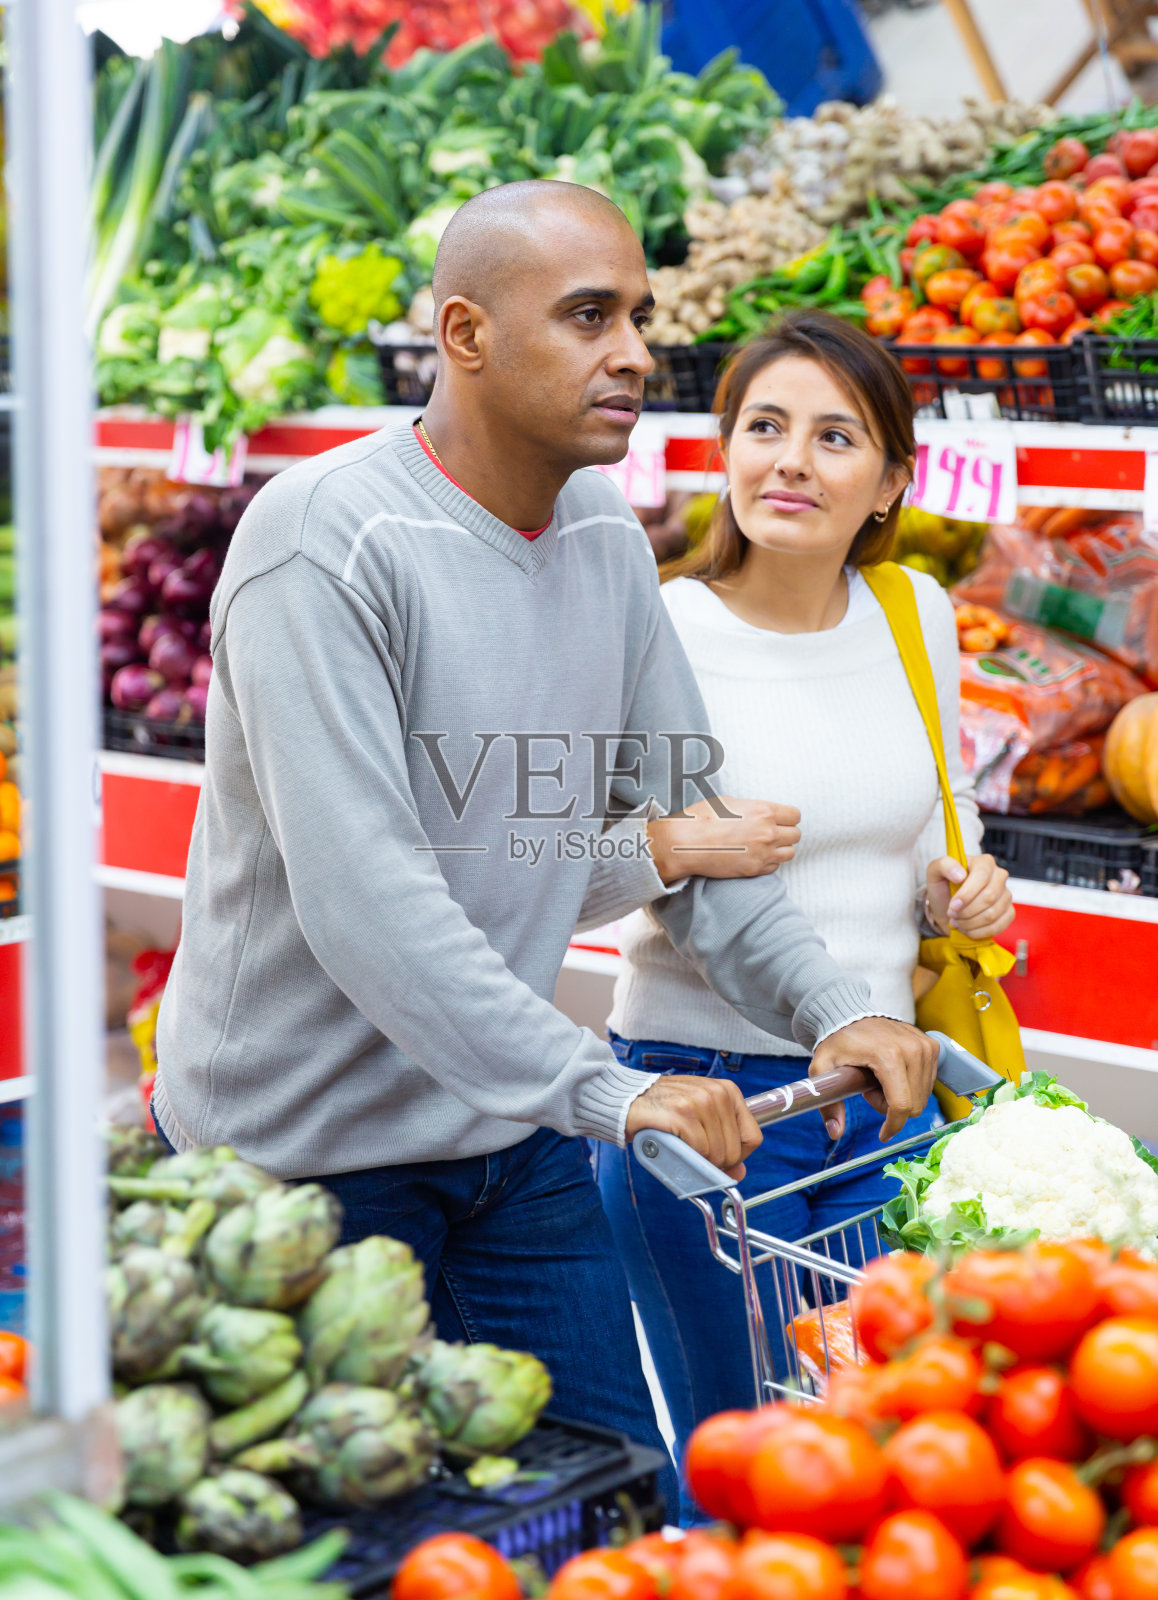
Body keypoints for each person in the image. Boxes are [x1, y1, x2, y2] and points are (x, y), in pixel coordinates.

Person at [152, 183, 940, 1511]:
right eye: (588, 317)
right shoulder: (324, 543)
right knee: (372, 1544)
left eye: (638, 315)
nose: (634, 352)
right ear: (464, 333)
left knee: (612, 1510)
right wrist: (607, 1089)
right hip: (296, 1157)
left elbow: (699, 834)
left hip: (504, 1132)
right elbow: (368, 903)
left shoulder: (603, 540)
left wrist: (836, 1008)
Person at [595, 310, 1016, 1516]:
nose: (791, 460)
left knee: (878, 1455)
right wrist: (677, 844)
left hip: (885, 1096)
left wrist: (961, 885)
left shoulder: (913, 612)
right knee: (747, 1469)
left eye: (836, 437)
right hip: (714, 1109)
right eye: (764, 426)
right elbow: (597, 865)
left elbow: (934, 820)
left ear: (890, 482)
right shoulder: (658, 632)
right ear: (723, 449)